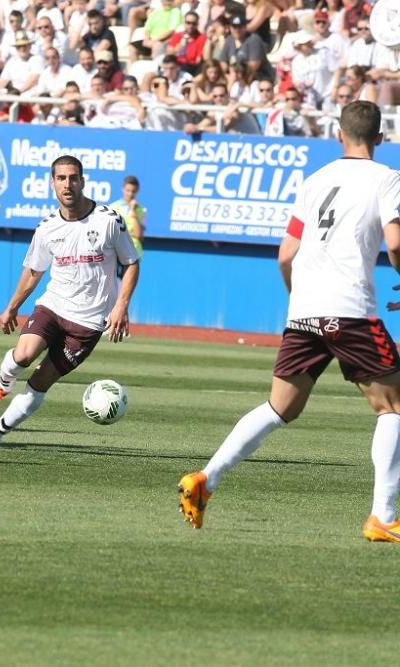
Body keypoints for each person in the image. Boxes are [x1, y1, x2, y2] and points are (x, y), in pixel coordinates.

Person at [178, 101, 400, 542]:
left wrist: (300, 302)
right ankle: (383, 515)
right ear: (379, 138)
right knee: (393, 407)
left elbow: (286, 254)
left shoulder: (314, 181)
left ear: (339, 134)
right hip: (350, 309)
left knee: (281, 408)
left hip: (305, 311)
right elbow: (395, 242)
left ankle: (207, 478)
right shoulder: (388, 179)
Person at [0, 155, 139, 451]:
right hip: (54, 305)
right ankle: (1, 385)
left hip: (88, 323)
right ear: (53, 183)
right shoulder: (47, 228)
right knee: (23, 355)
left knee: (41, 380)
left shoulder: (109, 220)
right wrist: (12, 306)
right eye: (61, 178)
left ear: (83, 181)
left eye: (73, 178)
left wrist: (121, 305)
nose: (67, 184)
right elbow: (34, 272)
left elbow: (132, 262)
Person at [109, 175, 145, 257]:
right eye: (128, 190)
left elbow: (138, 235)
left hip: (134, 252)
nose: (130, 194)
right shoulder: (113, 207)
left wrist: (134, 211)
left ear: (137, 191)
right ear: (123, 189)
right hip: (117, 251)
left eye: (133, 191)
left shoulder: (141, 210)